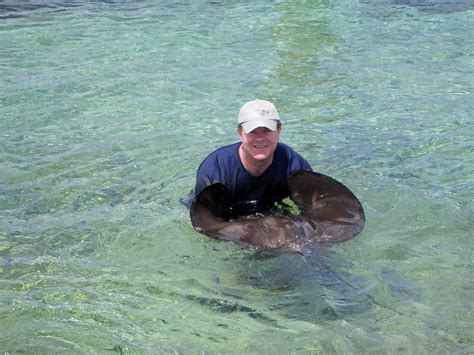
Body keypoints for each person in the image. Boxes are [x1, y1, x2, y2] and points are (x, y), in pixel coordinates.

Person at [193, 99, 312, 219]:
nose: (260, 138)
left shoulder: (293, 165)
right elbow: (204, 221)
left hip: (271, 212)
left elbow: (317, 211)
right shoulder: (215, 170)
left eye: (267, 130)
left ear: (279, 131)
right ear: (240, 133)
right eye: (252, 132)